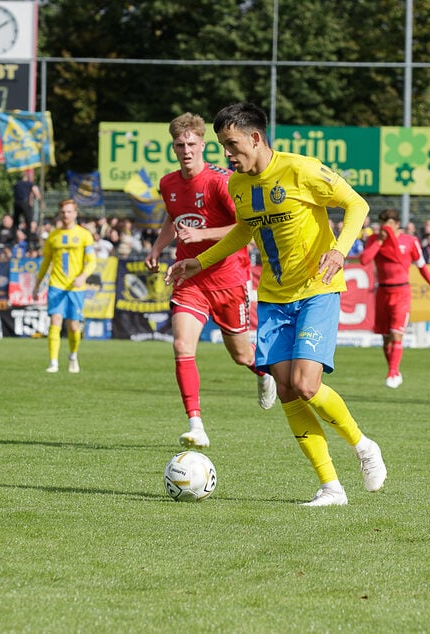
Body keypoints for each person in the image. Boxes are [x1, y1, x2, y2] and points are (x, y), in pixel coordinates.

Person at [165, 102, 387, 507]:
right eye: (221, 146)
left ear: (255, 138)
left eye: (231, 144)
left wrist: (339, 250)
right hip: (273, 297)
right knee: (286, 391)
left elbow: (357, 205)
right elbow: (243, 232)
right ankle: (330, 488)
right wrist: (199, 261)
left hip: (317, 289)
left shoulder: (301, 169)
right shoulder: (238, 184)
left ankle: (363, 446)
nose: (227, 154)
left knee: (305, 384)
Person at [145, 112, 276, 449]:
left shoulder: (223, 181)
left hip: (229, 278)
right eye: (179, 144)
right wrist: (158, 247)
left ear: (203, 144)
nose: (185, 149)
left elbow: (244, 228)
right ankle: (196, 424)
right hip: (189, 277)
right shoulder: (169, 183)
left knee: (241, 355)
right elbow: (172, 220)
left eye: (191, 143)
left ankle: (263, 374)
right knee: (181, 346)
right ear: (173, 147)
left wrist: (201, 232)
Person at [359, 208, 430, 389]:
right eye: (383, 223)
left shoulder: (410, 241)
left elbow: (422, 267)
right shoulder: (375, 240)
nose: (386, 227)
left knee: (397, 334)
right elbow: (364, 260)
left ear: (397, 224)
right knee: (385, 339)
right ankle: (394, 370)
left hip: (401, 292)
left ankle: (392, 372)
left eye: (389, 224)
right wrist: (380, 242)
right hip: (382, 292)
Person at [33, 199, 96, 373]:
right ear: (59, 214)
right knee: (55, 321)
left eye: (69, 212)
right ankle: (53, 362)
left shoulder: (84, 235)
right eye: (63, 212)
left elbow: (92, 262)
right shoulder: (53, 236)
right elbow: (46, 263)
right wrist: (37, 285)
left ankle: (73, 356)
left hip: (76, 287)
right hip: (56, 285)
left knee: (74, 326)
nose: (66, 215)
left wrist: (83, 276)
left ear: (75, 213)